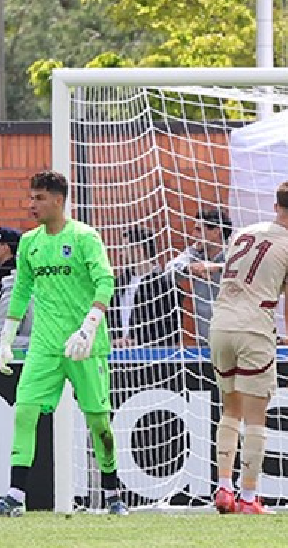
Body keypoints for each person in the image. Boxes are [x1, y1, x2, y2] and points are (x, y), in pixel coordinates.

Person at [0, 171, 127, 516]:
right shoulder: (29, 242)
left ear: (59, 199)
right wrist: (6, 339)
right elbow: (22, 289)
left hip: (85, 344)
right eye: (31, 197)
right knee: (25, 411)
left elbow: (105, 282)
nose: (32, 205)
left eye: (39, 198)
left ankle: (114, 493)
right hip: (45, 345)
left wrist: (88, 328)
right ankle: (14, 495)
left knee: (98, 421)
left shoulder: (85, 237)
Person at [209, 181, 288, 515]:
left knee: (229, 410)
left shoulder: (242, 233)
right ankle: (249, 498)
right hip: (254, 328)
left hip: (220, 324)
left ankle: (224, 488)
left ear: (275, 205)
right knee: (255, 417)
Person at [166, 208, 231, 344]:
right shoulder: (195, 254)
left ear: (216, 231)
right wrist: (188, 268)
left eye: (199, 230)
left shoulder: (236, 252)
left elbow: (247, 268)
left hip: (235, 339)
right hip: (205, 342)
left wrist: (217, 268)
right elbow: (168, 272)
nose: (193, 235)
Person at [110, 226, 181, 347]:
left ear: (138, 250)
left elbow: (172, 330)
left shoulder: (165, 286)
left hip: (152, 357)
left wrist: (137, 341)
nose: (121, 253)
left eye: (124, 248)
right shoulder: (117, 284)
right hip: (118, 355)